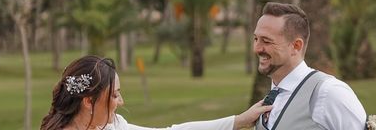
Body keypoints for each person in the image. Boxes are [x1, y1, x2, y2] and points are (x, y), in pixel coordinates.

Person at [40, 55, 272, 130]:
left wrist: (238, 120)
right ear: (89, 101)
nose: (121, 101)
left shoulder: (114, 126)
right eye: (114, 95)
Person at [252, 2, 367, 130]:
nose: (257, 49)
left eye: (266, 41)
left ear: (296, 46)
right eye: (256, 39)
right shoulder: (270, 98)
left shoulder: (328, 92)